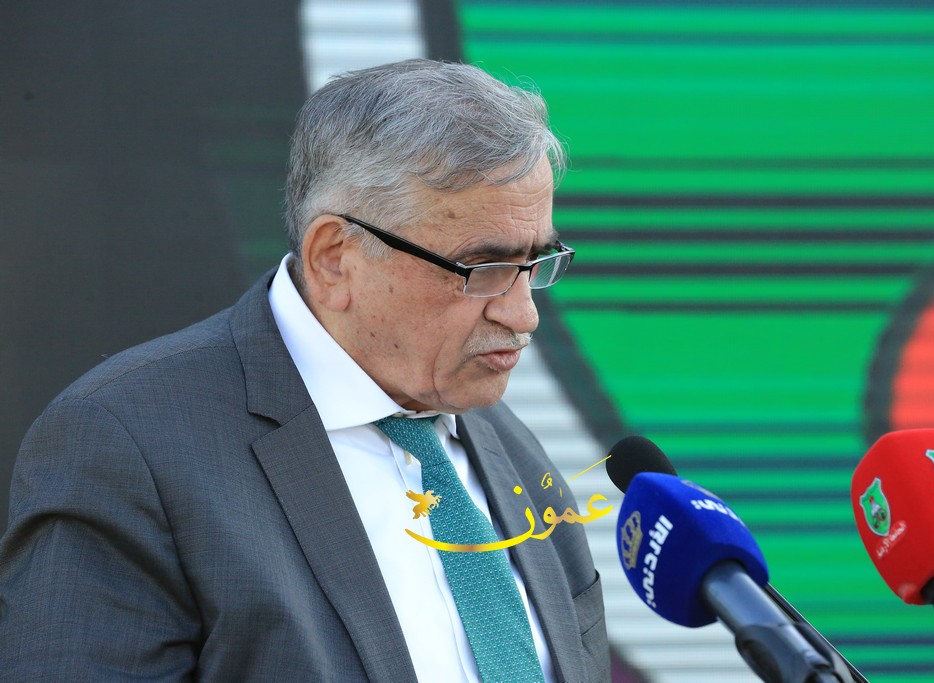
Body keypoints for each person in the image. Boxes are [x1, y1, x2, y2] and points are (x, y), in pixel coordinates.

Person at [0, 59, 610, 682]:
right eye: (482, 269)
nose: (523, 314)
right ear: (334, 258)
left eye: (537, 262)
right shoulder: (129, 446)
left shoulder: (507, 445)